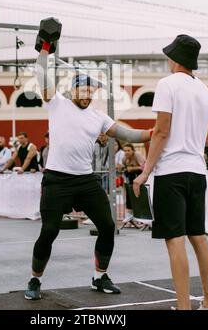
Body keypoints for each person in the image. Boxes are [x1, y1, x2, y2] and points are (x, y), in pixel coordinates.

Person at [24, 42, 152, 300]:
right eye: (83, 90)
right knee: (49, 231)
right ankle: (35, 280)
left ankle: (99, 276)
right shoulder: (57, 103)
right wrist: (45, 50)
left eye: (90, 91)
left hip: (85, 181)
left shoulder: (99, 118)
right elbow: (42, 75)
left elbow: (129, 134)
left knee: (107, 225)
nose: (87, 95)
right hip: (57, 181)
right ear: (72, 91)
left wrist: (155, 132)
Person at [133, 34, 208, 311]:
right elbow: (206, 140)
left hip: (171, 172)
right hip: (197, 172)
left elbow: (161, 132)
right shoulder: (206, 92)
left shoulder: (167, 85)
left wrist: (145, 171)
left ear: (175, 58)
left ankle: (183, 307)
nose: (167, 59)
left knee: (174, 239)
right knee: (199, 237)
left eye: (170, 55)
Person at [122, 143, 145, 224]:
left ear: (133, 150)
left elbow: (144, 167)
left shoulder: (137, 155)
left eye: (128, 150)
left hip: (140, 178)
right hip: (130, 179)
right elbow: (125, 168)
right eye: (125, 151)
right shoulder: (124, 159)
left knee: (139, 196)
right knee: (129, 194)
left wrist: (133, 168)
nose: (126, 152)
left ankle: (142, 215)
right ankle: (130, 213)